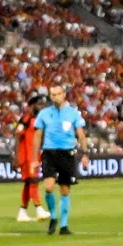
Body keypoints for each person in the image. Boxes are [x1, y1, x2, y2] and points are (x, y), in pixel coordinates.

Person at [33, 85, 88, 236]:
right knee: (48, 187)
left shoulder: (73, 113)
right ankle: (54, 217)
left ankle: (63, 226)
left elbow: (81, 134)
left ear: (64, 95)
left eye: (58, 94)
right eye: (52, 94)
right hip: (49, 154)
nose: (55, 97)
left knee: (64, 190)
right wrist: (34, 158)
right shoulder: (44, 114)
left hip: (67, 154)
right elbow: (37, 136)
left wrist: (84, 153)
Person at [15, 94, 50, 222]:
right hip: (27, 157)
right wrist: (16, 157)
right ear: (32, 106)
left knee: (28, 184)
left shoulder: (39, 120)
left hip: (34, 156)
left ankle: (22, 212)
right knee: (34, 181)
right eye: (39, 104)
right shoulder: (26, 119)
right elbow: (18, 137)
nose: (42, 107)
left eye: (43, 104)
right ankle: (39, 209)